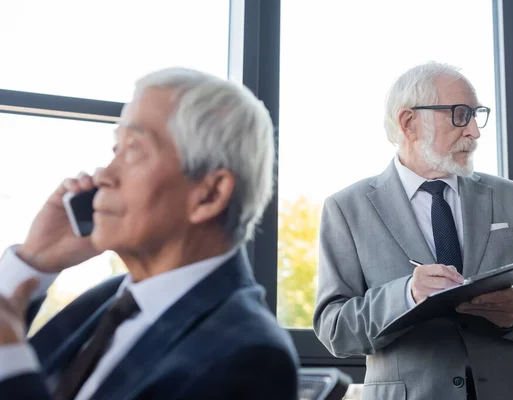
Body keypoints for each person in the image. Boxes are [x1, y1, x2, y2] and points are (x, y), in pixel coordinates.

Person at [0, 68, 299, 399]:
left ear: (209, 195)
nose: (103, 175)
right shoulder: (110, 300)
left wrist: (9, 362)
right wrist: (33, 261)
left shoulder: (249, 355)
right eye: (116, 148)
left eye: (134, 148)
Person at [313, 62, 513, 400]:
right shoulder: (346, 208)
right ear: (409, 123)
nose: (474, 131)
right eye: (459, 114)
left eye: (475, 114)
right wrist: (408, 295)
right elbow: (334, 328)